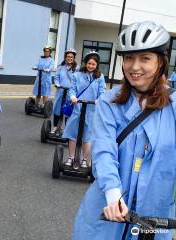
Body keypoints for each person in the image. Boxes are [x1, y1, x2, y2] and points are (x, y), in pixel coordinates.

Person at [72, 21, 176, 240]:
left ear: (161, 62)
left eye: (145, 58)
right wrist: (113, 195)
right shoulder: (108, 102)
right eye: (129, 58)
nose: (134, 67)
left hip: (155, 217)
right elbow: (104, 151)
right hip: (110, 212)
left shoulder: (174, 106)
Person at [63, 51, 106, 168]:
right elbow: (72, 89)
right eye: (89, 63)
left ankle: (84, 159)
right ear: (85, 63)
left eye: (93, 64)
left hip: (91, 109)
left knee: (88, 135)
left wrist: (99, 99)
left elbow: (102, 91)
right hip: (77, 107)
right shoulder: (77, 75)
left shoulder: (100, 77)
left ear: (97, 65)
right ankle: (71, 157)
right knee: (73, 133)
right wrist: (72, 96)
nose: (91, 66)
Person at [51, 48, 79, 133]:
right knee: (57, 109)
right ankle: (55, 127)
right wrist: (57, 83)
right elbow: (56, 77)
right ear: (65, 57)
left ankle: (66, 129)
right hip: (60, 91)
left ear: (74, 58)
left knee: (68, 111)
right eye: (68, 56)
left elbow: (78, 80)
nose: (69, 58)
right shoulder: (61, 67)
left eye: (71, 57)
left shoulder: (77, 68)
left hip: (70, 93)